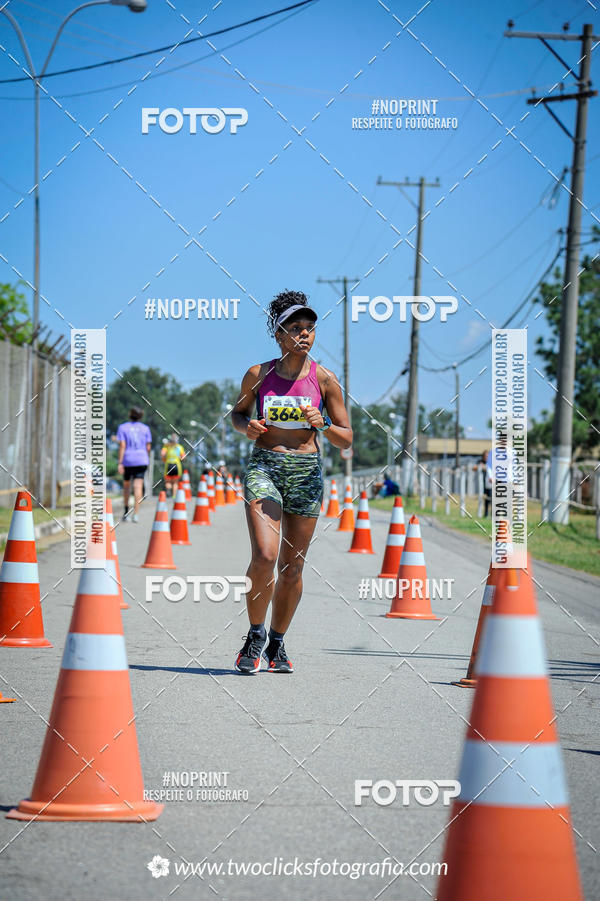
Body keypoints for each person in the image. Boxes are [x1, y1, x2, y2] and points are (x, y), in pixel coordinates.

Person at [231, 290, 352, 674]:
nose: (304, 334)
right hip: (265, 467)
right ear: (279, 334)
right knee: (265, 556)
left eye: (309, 328)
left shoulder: (325, 380)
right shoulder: (259, 375)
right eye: (295, 328)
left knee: (292, 567)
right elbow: (236, 414)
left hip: (306, 473)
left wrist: (325, 425)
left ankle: (277, 643)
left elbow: (347, 437)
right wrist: (246, 426)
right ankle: (254, 634)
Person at [116, 407, 152, 522]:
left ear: (129, 414)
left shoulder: (122, 427)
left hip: (128, 460)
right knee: (138, 486)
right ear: (141, 416)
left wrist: (120, 462)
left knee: (127, 486)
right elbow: (148, 447)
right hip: (141, 460)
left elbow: (122, 445)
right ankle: (135, 514)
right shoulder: (145, 428)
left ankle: (126, 512)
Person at [161, 434, 185, 498]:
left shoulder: (166, 446)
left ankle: (168, 490)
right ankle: (174, 496)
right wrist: (180, 458)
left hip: (168, 464)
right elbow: (183, 457)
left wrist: (164, 460)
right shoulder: (180, 447)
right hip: (177, 465)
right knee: (175, 482)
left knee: (168, 481)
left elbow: (162, 454)